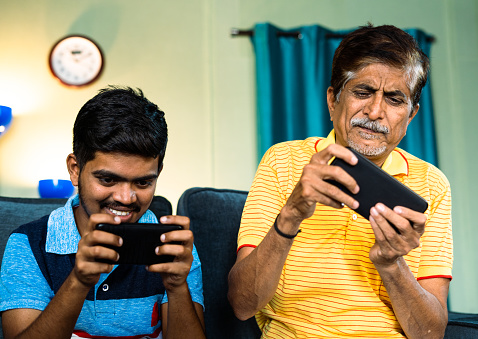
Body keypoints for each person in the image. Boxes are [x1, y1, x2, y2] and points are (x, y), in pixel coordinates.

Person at [228, 24, 452, 338]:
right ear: (333, 100)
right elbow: (242, 304)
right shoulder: (282, 160)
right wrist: (292, 213)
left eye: (394, 99)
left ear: (411, 115)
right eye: (363, 92)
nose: (375, 111)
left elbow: (430, 333)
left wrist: (391, 264)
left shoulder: (432, 183)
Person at [0, 86, 205, 339]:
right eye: (108, 179)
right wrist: (78, 281)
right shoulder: (28, 245)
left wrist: (177, 288)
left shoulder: (172, 246)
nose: (125, 198)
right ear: (75, 169)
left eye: (143, 183)